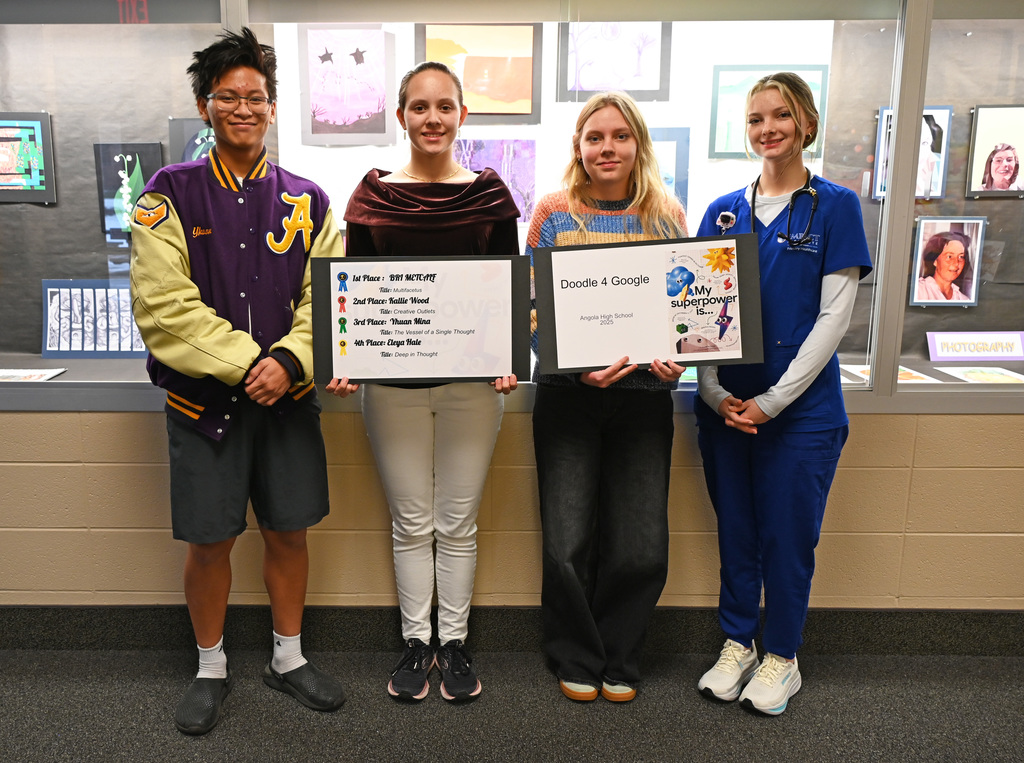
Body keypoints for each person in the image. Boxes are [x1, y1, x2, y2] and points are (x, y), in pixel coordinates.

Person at [130, 28, 346, 735]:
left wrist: (289, 362)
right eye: (229, 96)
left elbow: (329, 302)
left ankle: (288, 657)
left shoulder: (310, 201)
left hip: (289, 402)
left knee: (289, 531)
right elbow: (164, 309)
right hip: (203, 405)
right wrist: (251, 362)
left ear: (273, 107)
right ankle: (211, 665)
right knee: (210, 541)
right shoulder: (167, 196)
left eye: (256, 96)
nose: (244, 107)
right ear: (205, 105)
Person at [325, 61, 520, 703]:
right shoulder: (372, 195)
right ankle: (417, 643)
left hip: (471, 387)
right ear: (403, 116)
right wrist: (348, 358)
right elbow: (353, 287)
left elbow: (507, 292)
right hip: (392, 388)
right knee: (411, 520)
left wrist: (509, 353)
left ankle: (455, 643)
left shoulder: (492, 195)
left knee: (457, 521)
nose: (432, 118)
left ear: (463, 115)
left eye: (444, 106)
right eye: (419, 107)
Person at [693, 72, 872, 716]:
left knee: (788, 539)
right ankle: (738, 642)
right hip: (725, 410)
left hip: (800, 415)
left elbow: (833, 320)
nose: (767, 129)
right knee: (737, 531)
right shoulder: (721, 211)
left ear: (806, 123)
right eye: (755, 118)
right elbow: (698, 316)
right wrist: (713, 393)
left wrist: (772, 401)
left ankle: (783, 656)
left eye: (781, 116)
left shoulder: (835, 205)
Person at [526, 91, 688, 704]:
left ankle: (621, 654)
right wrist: (570, 361)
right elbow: (532, 310)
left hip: (646, 398)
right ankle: (574, 653)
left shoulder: (666, 215)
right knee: (566, 538)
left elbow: (686, 307)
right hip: (569, 396)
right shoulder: (553, 213)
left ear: (638, 144)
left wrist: (679, 358)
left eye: (620, 136)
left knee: (641, 540)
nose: (607, 148)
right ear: (579, 146)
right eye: (595, 137)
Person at [915, 230, 971, 301]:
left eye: (961, 257)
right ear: (935, 260)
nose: (956, 263)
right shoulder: (918, 291)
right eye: (949, 256)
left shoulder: (964, 300)